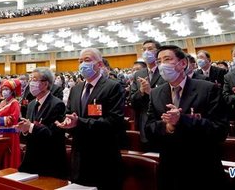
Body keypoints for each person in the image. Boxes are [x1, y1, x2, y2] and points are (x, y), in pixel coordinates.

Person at [145, 45, 229, 190]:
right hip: (169, 168)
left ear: (183, 63)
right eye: (159, 62)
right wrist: (168, 127)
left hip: (202, 166)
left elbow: (220, 130)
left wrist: (182, 120)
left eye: (167, 59)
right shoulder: (156, 93)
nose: (162, 65)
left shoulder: (208, 89)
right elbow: (148, 128)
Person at [56, 48, 125, 190]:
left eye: (87, 60)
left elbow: (114, 121)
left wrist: (79, 122)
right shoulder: (76, 89)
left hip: (103, 156)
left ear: (99, 65)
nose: (82, 64)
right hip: (79, 155)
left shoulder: (113, 86)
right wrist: (67, 122)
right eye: (80, 61)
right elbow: (69, 113)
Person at [18, 67, 68, 179]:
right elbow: (30, 130)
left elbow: (52, 134)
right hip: (31, 160)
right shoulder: (31, 105)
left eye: (34, 79)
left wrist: (30, 126)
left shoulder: (57, 104)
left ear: (45, 84)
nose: (31, 83)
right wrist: (24, 130)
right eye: (30, 79)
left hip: (49, 161)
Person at [130, 39, 165, 147]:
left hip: (162, 121)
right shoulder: (138, 74)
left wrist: (151, 92)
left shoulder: (165, 71)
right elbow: (132, 101)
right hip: (144, 122)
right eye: (144, 49)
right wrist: (141, 92)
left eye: (150, 49)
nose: (146, 52)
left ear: (158, 51)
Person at [0, 79, 22, 168]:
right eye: (3, 90)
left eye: (7, 90)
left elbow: (13, 119)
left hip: (9, 133)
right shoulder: (2, 102)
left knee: (9, 153)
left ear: (12, 91)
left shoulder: (15, 102)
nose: (4, 92)